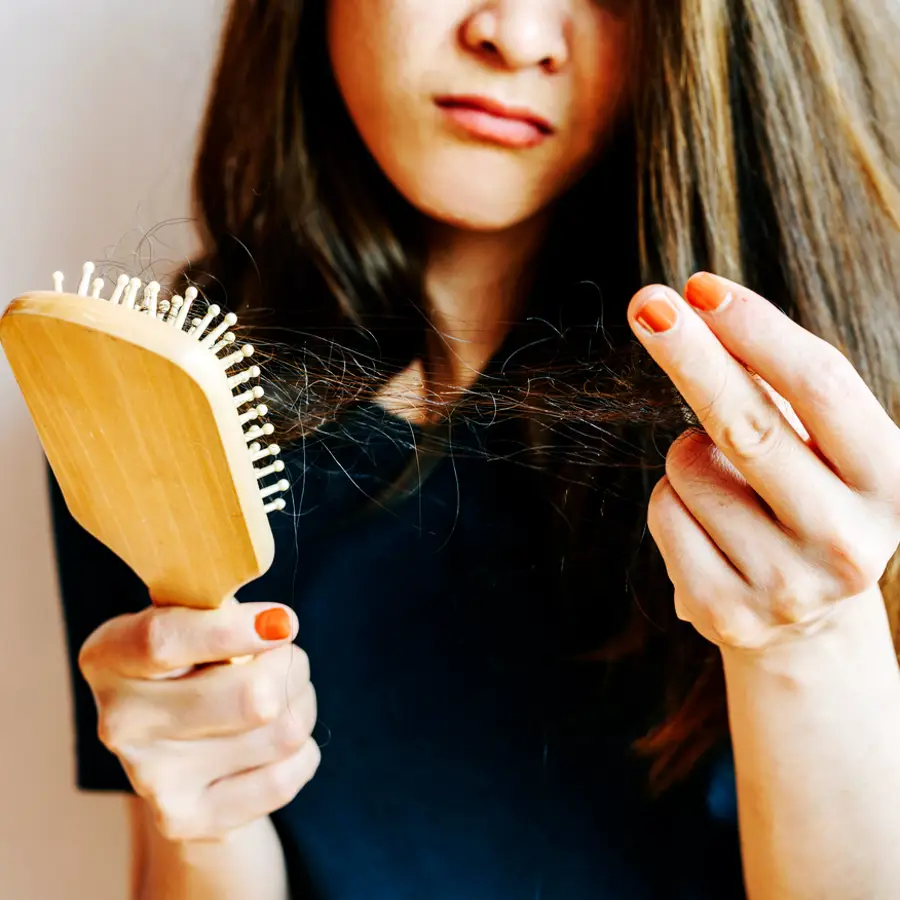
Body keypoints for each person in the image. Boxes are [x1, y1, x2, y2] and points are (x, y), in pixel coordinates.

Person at [51, 1, 900, 898]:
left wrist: (809, 642)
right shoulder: (150, 399)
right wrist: (207, 815)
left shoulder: (845, 448)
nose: (518, 35)